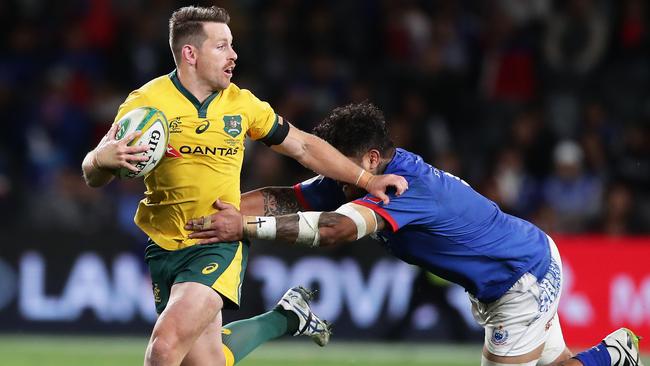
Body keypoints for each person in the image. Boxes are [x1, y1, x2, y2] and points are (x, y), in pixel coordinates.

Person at [187, 102, 644, 366]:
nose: (330, 174)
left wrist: (243, 227)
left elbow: (336, 230)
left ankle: (610, 356)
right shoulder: (360, 173)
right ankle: (612, 356)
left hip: (517, 277)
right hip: (519, 259)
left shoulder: (404, 187)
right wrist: (206, 213)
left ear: (369, 158)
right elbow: (287, 198)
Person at [81, 6, 407, 366]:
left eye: (231, 46)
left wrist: (366, 179)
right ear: (190, 53)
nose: (233, 55)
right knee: (207, 361)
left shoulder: (242, 104)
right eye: (221, 46)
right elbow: (95, 171)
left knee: (164, 348)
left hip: (217, 242)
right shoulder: (145, 103)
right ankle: (285, 317)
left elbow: (302, 145)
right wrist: (99, 161)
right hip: (162, 246)